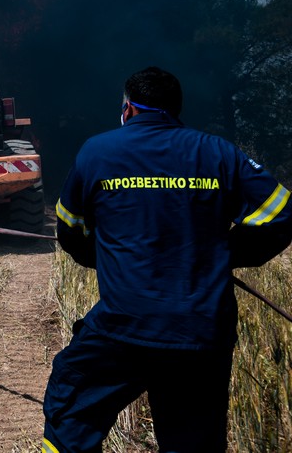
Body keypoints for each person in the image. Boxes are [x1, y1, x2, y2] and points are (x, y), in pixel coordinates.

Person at [43, 66, 292, 453]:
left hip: (123, 327)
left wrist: (107, 256)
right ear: (175, 110)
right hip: (201, 332)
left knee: (71, 413)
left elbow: (70, 229)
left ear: (128, 109)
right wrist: (228, 252)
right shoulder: (218, 152)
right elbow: (281, 213)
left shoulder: (98, 151)